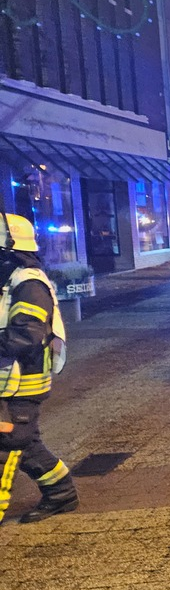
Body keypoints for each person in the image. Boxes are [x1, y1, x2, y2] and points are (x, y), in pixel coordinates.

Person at [0, 214, 76, 524]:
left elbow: (26, 335)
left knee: (7, 444)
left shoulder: (28, 283)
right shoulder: (10, 280)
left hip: (22, 380)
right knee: (25, 441)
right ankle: (61, 492)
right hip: (11, 378)